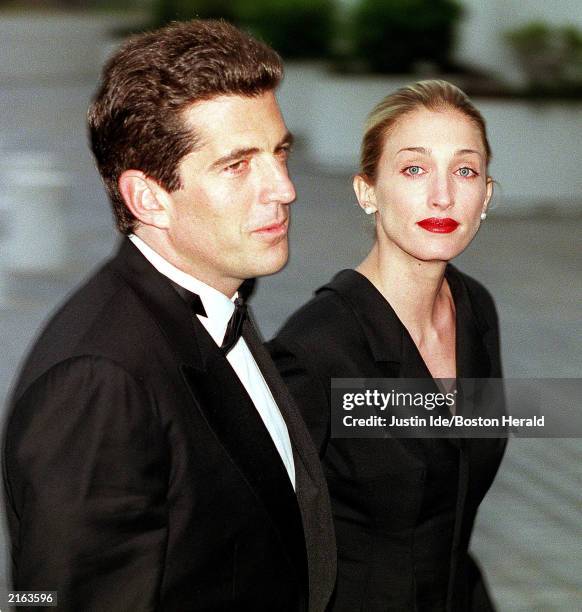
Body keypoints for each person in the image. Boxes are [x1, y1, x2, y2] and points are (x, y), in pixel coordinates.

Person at [2, 20, 336, 612]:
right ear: (148, 198)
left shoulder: (218, 304)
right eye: (238, 165)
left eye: (279, 152)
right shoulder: (96, 382)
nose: (283, 187)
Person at [268, 80, 507, 611]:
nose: (442, 195)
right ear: (367, 190)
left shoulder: (476, 312)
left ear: (486, 194)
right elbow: (255, 543)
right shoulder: (314, 352)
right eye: (414, 168)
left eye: (464, 170)